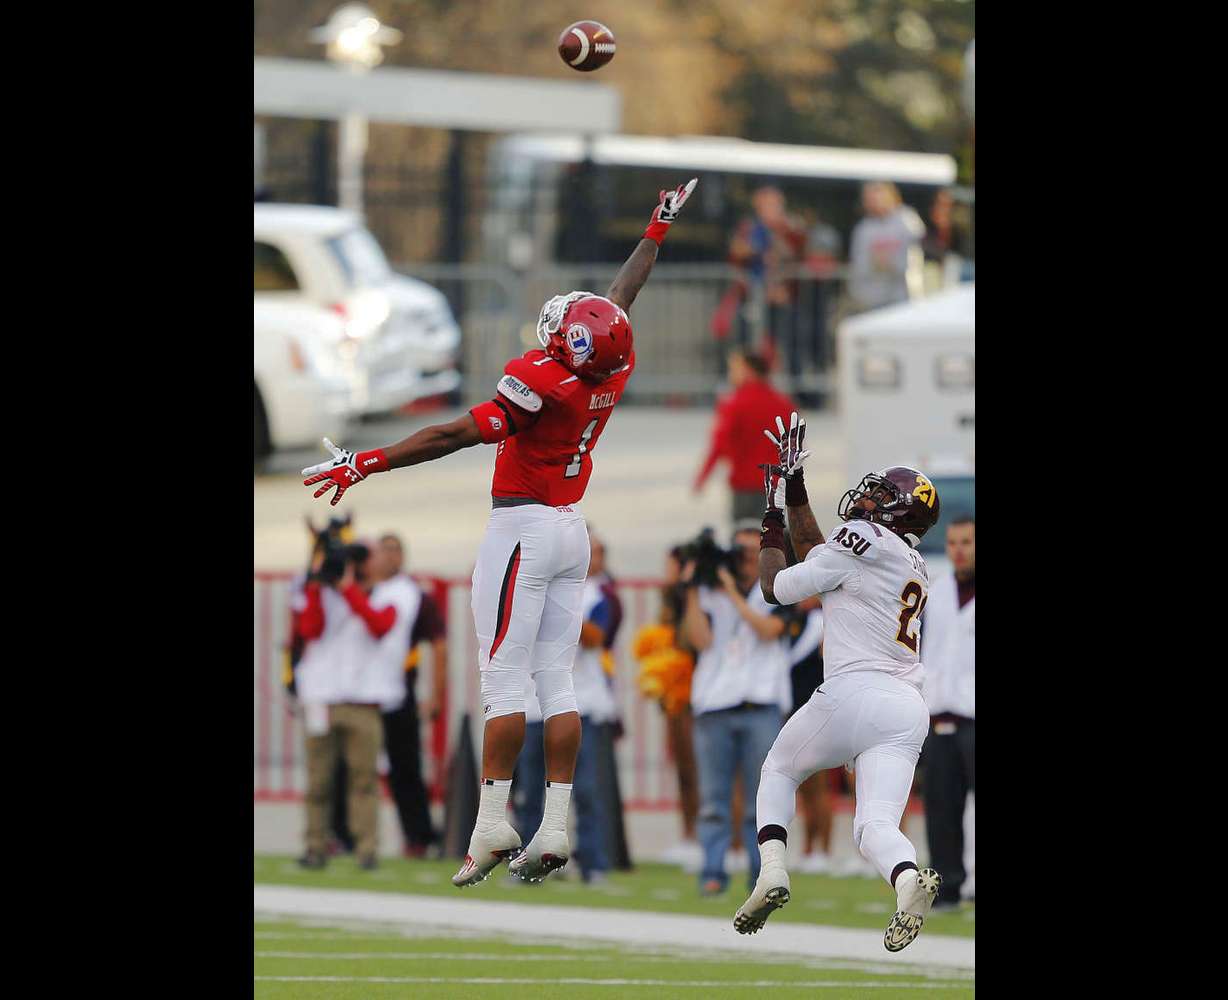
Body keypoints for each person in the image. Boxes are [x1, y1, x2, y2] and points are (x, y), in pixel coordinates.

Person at [301, 178, 699, 888]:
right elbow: (621, 300)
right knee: (558, 680)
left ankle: (492, 823)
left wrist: (368, 461)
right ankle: (553, 826)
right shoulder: (614, 359)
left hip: (524, 527)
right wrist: (656, 229)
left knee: (503, 679)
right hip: (571, 527)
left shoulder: (540, 380)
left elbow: (457, 432)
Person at [734, 410, 944, 954]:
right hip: (906, 707)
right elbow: (826, 553)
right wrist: (798, 488)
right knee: (873, 826)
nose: (865, 499)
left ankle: (773, 870)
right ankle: (904, 881)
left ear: (894, 508)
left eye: (878, 495)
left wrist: (771, 517)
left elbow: (777, 587)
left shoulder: (864, 538)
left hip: (854, 691)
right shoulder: (913, 564)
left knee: (780, 768)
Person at [681, 525, 793, 896]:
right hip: (715, 704)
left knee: (760, 798)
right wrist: (694, 587)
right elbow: (700, 640)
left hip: (760, 704)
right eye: (740, 552)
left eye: (751, 552)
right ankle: (712, 870)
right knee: (713, 798)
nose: (744, 559)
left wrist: (733, 592)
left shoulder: (779, 591)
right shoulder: (709, 593)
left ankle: (761, 874)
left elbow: (767, 630)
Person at [513, 530, 621, 882]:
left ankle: (593, 863)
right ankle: (529, 865)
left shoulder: (599, 596)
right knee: (530, 792)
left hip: (580, 703)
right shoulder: (532, 588)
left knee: (586, 790)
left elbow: (595, 638)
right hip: (534, 703)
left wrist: (558, 607)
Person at [294, 538, 402, 871]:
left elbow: (380, 625)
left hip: (362, 701)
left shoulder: (388, 595)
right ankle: (315, 846)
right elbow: (310, 629)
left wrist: (348, 589)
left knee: (364, 780)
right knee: (318, 780)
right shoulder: (320, 594)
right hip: (322, 698)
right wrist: (315, 584)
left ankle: (367, 849)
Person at [633, 546, 700, 869]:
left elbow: (690, 642)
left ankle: (714, 838)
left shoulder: (695, 594)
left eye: (671, 566)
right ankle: (689, 835)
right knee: (685, 770)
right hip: (677, 695)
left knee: (703, 772)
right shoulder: (669, 597)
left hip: (697, 692)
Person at [920, 516, 975, 911]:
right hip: (939, 713)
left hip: (973, 714)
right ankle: (948, 885)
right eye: (954, 542)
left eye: (968, 542)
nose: (959, 549)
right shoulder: (935, 593)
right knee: (940, 806)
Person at [693, 350, 798, 523]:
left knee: (744, 538)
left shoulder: (734, 403)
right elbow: (794, 448)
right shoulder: (784, 404)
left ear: (748, 371)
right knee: (772, 540)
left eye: (734, 369)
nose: (731, 375)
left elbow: (719, 444)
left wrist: (703, 476)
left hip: (744, 483)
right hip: (775, 485)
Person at [723, 186, 807, 363]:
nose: (774, 209)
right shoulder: (749, 228)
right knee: (749, 345)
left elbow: (799, 253)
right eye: (769, 205)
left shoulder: (791, 228)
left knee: (790, 347)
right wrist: (757, 251)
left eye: (776, 205)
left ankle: (795, 386)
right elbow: (736, 252)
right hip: (753, 295)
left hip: (783, 298)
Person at [784, 595, 834, 874]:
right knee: (802, 784)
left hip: (816, 708)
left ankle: (823, 849)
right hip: (794, 708)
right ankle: (807, 846)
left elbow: (797, 658)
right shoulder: (795, 620)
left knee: (819, 783)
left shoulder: (820, 621)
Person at [845, 182, 925, 315]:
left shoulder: (907, 220)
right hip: (870, 301)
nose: (873, 202)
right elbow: (858, 264)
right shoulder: (863, 228)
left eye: (877, 197)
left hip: (901, 299)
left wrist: (892, 264)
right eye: (869, 199)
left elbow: (916, 254)